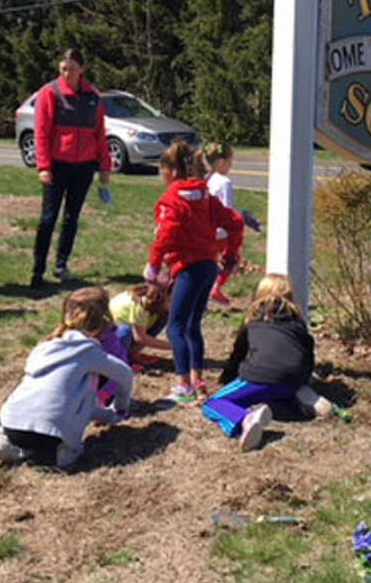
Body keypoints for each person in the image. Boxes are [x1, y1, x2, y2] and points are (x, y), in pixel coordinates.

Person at [145, 141, 244, 404]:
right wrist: (231, 255)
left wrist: (154, 266)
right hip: (208, 267)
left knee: (175, 326)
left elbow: (165, 236)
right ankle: (198, 380)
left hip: (188, 269)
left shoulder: (171, 200)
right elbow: (234, 222)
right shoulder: (206, 197)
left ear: (171, 172)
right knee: (192, 325)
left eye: (162, 171)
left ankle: (183, 385)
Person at [0, 288, 134, 467]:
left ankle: (4, 439)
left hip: (12, 424)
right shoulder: (90, 352)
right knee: (88, 382)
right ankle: (68, 450)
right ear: (104, 319)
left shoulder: (43, 347)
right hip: (55, 434)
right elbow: (125, 374)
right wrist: (120, 407)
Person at [203, 274, 329, 451]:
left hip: (259, 376)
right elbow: (308, 352)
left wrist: (227, 378)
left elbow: (238, 355)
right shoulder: (298, 322)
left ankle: (245, 419)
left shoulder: (253, 320)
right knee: (276, 401)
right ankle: (305, 403)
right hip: (292, 381)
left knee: (213, 404)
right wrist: (304, 379)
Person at [30, 48, 112, 290]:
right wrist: (43, 166)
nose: (67, 73)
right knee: (48, 218)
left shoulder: (93, 97)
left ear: (82, 69)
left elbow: (100, 133)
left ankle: (61, 264)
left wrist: (104, 166)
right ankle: (38, 270)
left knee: (71, 217)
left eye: (72, 69)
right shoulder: (50, 93)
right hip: (57, 165)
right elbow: (41, 133)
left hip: (84, 166)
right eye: (63, 69)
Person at [205, 141, 239, 305]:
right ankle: (215, 287)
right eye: (230, 162)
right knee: (230, 259)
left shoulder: (208, 179)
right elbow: (227, 208)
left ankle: (209, 288)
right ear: (222, 162)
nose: (231, 166)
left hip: (207, 228)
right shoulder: (225, 182)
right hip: (222, 231)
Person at [109, 282, 172, 364]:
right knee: (125, 332)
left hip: (134, 328)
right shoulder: (141, 305)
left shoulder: (158, 305)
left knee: (162, 320)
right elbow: (140, 338)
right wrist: (173, 346)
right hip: (113, 334)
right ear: (160, 297)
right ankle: (120, 359)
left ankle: (131, 353)